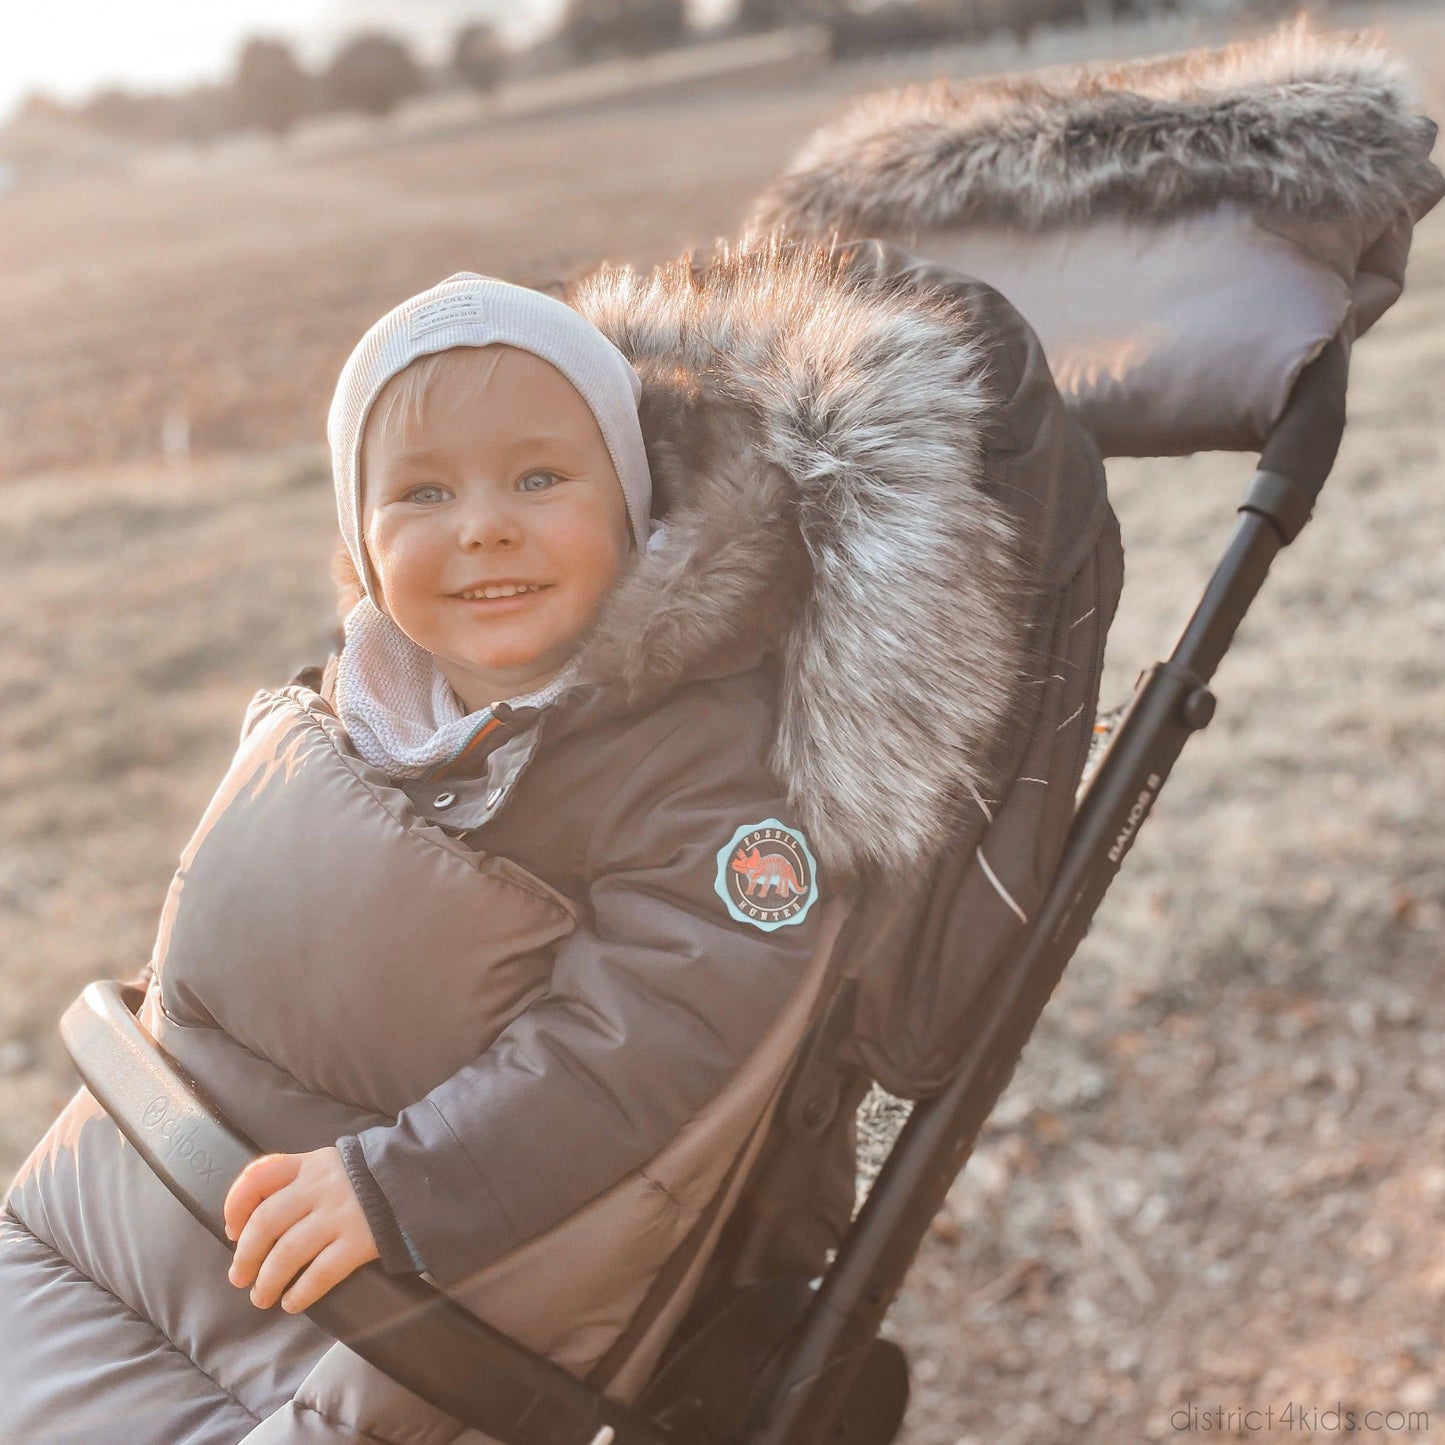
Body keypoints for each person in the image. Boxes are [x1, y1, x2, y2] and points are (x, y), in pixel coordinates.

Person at [0, 244, 1065, 1443]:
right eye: (423, 494)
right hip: (133, 1201)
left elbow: (662, 1030)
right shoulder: (369, 706)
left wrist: (401, 1186)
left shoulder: (701, 763)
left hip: (401, 1292)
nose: (484, 529)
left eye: (540, 477)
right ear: (357, 533)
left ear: (634, 504)